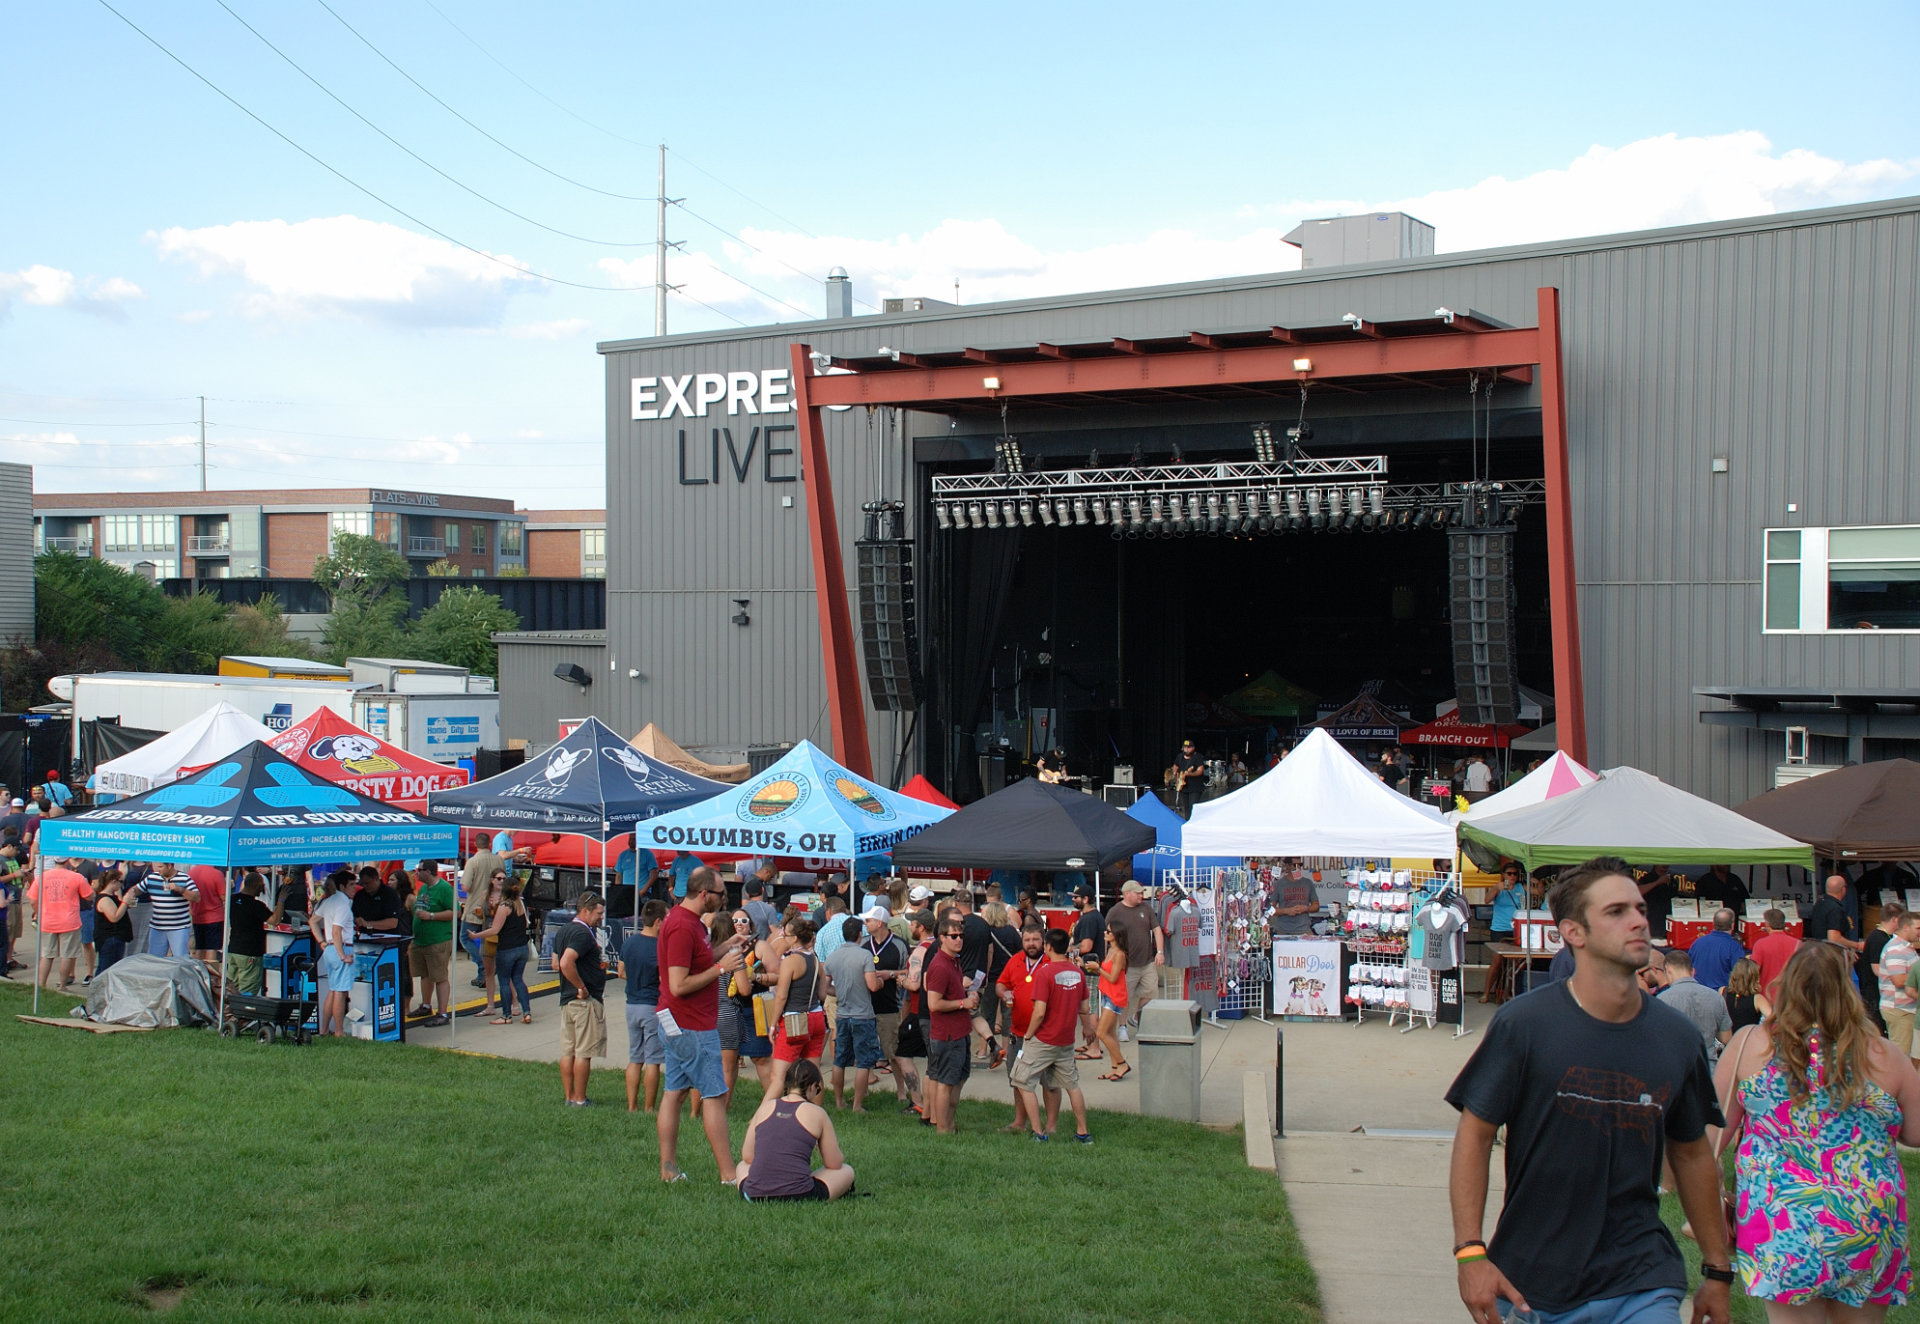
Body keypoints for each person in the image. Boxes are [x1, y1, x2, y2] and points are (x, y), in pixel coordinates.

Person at [1447, 856, 1732, 1323]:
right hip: (1532, 1282)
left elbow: (1693, 1154)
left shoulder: (1676, 1037)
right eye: (1616, 911)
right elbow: (1475, 1135)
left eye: (1640, 908)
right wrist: (1470, 1253)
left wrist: (1717, 1273)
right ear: (1573, 933)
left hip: (1642, 1277)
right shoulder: (1524, 1025)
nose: (1639, 920)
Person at [1716, 939, 1920, 1315]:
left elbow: (1711, 1136)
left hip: (1780, 1221)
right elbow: (1915, 1133)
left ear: (1785, 984)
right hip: (1867, 1218)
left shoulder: (1749, 1047)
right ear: (1846, 988)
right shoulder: (1883, 1054)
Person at [657, 867, 748, 1184]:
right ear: (704, 894)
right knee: (714, 1095)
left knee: (675, 1093)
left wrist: (727, 947)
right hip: (690, 1024)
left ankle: (668, 1170)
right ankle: (728, 1174)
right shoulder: (682, 926)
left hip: (676, 1021)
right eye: (722, 892)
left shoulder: (691, 922)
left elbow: (700, 959)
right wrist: (722, 968)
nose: (725, 898)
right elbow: (679, 984)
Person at [1013, 929, 1093, 1144]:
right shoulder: (1078, 972)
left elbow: (1039, 1012)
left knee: (1021, 1080)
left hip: (1044, 1038)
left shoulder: (1045, 972)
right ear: (1066, 946)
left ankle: (1039, 1133)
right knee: (1072, 1085)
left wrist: (1029, 1035)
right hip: (1066, 1040)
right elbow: (1084, 1008)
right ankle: (1083, 1133)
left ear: (1047, 947)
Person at [736, 1060, 856, 1202]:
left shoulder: (765, 1107)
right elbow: (834, 1164)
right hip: (801, 1194)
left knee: (742, 1165)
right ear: (812, 1087)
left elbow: (748, 1156)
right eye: (818, 1090)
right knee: (847, 1170)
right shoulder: (817, 1112)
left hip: (755, 1194)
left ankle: (760, 1188)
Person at [923, 914, 979, 1133]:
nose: (958, 940)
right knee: (945, 1083)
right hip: (946, 1035)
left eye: (961, 936)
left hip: (960, 1032)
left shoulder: (954, 961)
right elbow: (934, 1004)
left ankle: (950, 1123)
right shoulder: (939, 965)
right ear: (941, 938)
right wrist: (962, 1003)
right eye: (953, 936)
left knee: (959, 1078)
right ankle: (943, 1128)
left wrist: (968, 998)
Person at [994, 920, 1050, 1135]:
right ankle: (1020, 1121)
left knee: (1049, 1083)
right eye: (1027, 940)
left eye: (1036, 939)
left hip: (1044, 1036)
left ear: (1043, 941)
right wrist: (1003, 993)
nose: (1032, 943)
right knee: (1017, 1080)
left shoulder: (1050, 963)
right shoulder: (1015, 961)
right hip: (1018, 1034)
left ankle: (1051, 1125)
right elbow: (1001, 983)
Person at [822, 915, 882, 1113]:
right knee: (863, 1062)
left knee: (840, 1060)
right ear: (859, 935)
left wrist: (839, 991)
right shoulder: (865, 956)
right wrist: (881, 981)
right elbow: (872, 985)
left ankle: (839, 1101)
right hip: (862, 1014)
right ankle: (857, 1105)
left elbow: (824, 989)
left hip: (842, 1014)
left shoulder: (832, 958)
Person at [555, 891, 609, 1107]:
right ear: (585, 911)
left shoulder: (565, 930)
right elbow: (565, 963)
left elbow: (555, 961)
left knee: (568, 1051)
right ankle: (579, 1098)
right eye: (599, 913)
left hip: (567, 1000)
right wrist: (582, 987)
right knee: (583, 1053)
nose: (601, 918)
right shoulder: (582, 934)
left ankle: (569, 1096)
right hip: (582, 1002)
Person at [859, 905, 914, 1108]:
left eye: (868, 921)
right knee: (864, 1051)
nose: (866, 925)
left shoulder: (899, 945)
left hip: (890, 1005)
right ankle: (862, 1089)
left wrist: (890, 974)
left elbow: (909, 972)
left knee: (893, 1052)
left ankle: (901, 1091)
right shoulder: (864, 944)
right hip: (866, 1006)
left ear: (879, 923)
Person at [768, 917, 827, 1101]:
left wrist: (772, 1024)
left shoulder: (791, 961)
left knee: (778, 1076)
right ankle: (816, 1114)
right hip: (817, 1017)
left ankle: (761, 1116)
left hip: (794, 1021)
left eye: (786, 935)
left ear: (794, 939)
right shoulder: (816, 960)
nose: (783, 938)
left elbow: (781, 996)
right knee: (814, 1073)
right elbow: (823, 993)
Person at [620, 900, 669, 1113]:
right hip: (651, 1006)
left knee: (634, 1058)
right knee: (653, 1061)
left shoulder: (629, 943)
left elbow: (621, 972)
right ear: (658, 922)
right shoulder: (659, 947)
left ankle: (632, 1105)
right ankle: (649, 1107)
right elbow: (663, 979)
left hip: (631, 1005)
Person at [1656, 945, 1732, 1066]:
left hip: (1677, 1068)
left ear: (1668, 970)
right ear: (1693, 971)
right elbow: (1726, 1038)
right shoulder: (1716, 997)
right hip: (1708, 1068)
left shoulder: (1663, 1000)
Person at [27, 857, 93, 990]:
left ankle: (41, 985)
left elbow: (33, 900)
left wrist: (38, 912)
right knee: (67, 954)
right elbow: (89, 896)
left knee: (46, 955)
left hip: (48, 920)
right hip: (69, 920)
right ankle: (62, 985)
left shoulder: (42, 877)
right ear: (67, 860)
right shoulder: (76, 876)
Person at [406, 863, 457, 1026]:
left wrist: (431, 916)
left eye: (418, 871)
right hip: (421, 940)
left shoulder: (444, 888)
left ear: (428, 871)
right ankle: (426, 1005)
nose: (416, 874)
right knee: (425, 974)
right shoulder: (424, 889)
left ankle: (442, 1013)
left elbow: (455, 912)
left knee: (439, 976)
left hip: (438, 940)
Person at [1108, 880, 1163, 1030]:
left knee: (1151, 993)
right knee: (1124, 998)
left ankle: (1136, 1017)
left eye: (1141, 892)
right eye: (1138, 893)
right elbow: (1107, 934)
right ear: (1126, 894)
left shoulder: (1146, 908)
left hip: (1147, 962)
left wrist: (1160, 952)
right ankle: (1122, 1026)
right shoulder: (1115, 911)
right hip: (1127, 964)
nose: (1141, 895)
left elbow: (1157, 930)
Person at [478, 880, 532, 1024]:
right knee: (518, 980)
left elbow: (495, 929)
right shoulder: (520, 904)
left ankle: (506, 1015)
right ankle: (526, 1012)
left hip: (507, 948)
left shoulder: (504, 906)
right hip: (522, 947)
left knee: (504, 981)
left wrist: (477, 935)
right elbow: (526, 923)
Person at [312, 871, 356, 1038]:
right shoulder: (343, 904)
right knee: (340, 992)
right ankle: (338, 1031)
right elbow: (337, 930)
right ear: (342, 886)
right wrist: (342, 955)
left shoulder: (329, 901)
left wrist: (323, 942)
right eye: (351, 884)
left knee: (333, 989)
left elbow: (313, 921)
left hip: (330, 948)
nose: (354, 888)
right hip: (340, 947)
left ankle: (324, 1029)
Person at [1480, 864, 1532, 1004]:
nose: (1512, 876)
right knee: (1497, 960)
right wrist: (1497, 888)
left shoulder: (1521, 887)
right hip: (1500, 928)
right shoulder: (1499, 887)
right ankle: (1486, 993)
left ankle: (1507, 992)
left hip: (1516, 928)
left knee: (1514, 962)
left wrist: (1534, 881)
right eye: (1509, 873)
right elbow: (1486, 900)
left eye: (1515, 874)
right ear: (1503, 874)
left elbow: (1539, 891)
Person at [1876, 908, 1920, 1060]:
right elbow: (1899, 980)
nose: (1919, 932)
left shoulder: (1907, 948)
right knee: (1901, 1057)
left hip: (1906, 1009)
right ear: (1906, 927)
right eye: (1918, 928)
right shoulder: (1896, 949)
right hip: (1899, 1009)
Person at [1069, 885, 1106, 1057]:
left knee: (1090, 1009)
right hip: (1091, 969)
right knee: (1087, 1008)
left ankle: (1094, 1048)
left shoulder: (1089, 919)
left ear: (1086, 899)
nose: (1073, 900)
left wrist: (1068, 949)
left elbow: (1086, 946)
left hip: (1089, 970)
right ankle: (1090, 1044)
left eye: (1076, 897)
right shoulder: (1094, 917)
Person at [1094, 914, 1130, 1080]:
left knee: (1101, 1032)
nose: (1105, 933)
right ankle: (1115, 1066)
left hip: (1115, 996)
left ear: (1116, 934)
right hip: (1107, 994)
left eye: (1108, 931)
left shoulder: (1119, 954)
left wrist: (1097, 969)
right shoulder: (1110, 950)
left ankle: (1122, 1063)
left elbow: (1113, 977)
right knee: (1110, 1033)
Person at [1861, 900, 1905, 1035]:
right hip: (1873, 993)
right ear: (1894, 919)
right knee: (1877, 1031)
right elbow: (1876, 969)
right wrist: (1897, 976)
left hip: (1879, 992)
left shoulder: (1885, 937)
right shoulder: (1878, 939)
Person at [225, 874, 272, 996]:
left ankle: (229, 1013)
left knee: (231, 988)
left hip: (233, 950)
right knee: (247, 991)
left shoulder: (232, 899)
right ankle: (243, 1014)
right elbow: (275, 920)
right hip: (250, 952)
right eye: (261, 886)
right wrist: (282, 900)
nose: (262, 890)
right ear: (256, 885)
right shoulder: (256, 905)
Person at [140, 862, 197, 958]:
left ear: (169, 866)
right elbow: (138, 888)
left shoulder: (184, 878)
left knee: (181, 958)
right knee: (154, 959)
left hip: (179, 927)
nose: (158, 869)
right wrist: (132, 892)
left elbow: (196, 897)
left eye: (161, 867)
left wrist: (181, 890)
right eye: (157, 867)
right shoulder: (151, 878)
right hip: (157, 927)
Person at [1750, 907, 1804, 1004]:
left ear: (1767, 924)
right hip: (1791, 998)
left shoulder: (1760, 944)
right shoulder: (1798, 944)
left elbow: (1753, 971)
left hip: (1767, 998)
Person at [1807, 873, 1863, 966]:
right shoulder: (1835, 909)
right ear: (1843, 889)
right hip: (1831, 958)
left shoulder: (1819, 903)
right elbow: (1834, 938)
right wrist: (1856, 945)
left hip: (1818, 953)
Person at [1688, 908, 1747, 991]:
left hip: (1697, 992)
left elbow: (1688, 968)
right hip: (1720, 996)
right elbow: (1741, 975)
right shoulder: (1734, 947)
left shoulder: (1697, 942)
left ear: (1713, 923)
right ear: (1733, 925)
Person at [91, 869, 134, 976]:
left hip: (115, 937)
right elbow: (114, 917)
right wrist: (125, 901)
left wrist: (125, 905)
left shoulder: (111, 897)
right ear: (113, 882)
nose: (121, 885)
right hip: (110, 938)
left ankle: (102, 989)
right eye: (121, 881)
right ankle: (100, 990)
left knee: (109, 967)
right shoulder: (104, 899)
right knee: (107, 968)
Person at [187, 864, 227, 970]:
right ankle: (211, 975)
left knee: (199, 947)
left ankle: (198, 973)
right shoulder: (217, 874)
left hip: (197, 916)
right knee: (212, 948)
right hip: (215, 916)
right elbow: (224, 896)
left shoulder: (192, 872)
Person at [1725, 958, 1769, 1033]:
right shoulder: (1757, 999)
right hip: (1748, 1040)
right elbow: (1772, 1017)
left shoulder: (1723, 992)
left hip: (1728, 1041)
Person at [1635, 864, 1676, 939]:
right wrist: (1658, 882)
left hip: (1667, 920)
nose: (1665, 866)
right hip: (1652, 919)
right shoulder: (1647, 878)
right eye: (1662, 864)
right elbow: (1637, 891)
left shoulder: (1672, 880)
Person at [1169, 739, 1205, 814]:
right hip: (1183, 787)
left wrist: (1190, 774)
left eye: (1188, 747)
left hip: (1195, 787)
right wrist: (1175, 772)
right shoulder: (1180, 756)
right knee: (1186, 807)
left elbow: (1200, 771)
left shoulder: (1197, 757)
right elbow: (1175, 765)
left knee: (1193, 807)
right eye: (1185, 747)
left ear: (1193, 748)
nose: (1186, 749)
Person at [742, 875, 780, 941]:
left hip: (746, 947)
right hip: (764, 947)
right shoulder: (768, 909)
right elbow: (776, 932)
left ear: (747, 894)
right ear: (762, 890)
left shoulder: (742, 910)